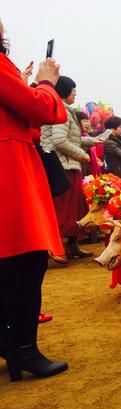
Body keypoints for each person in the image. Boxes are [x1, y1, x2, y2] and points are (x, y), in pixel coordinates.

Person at [0, 19, 68, 380]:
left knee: (10, 261)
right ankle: (23, 348)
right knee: (25, 259)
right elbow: (38, 109)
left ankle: (9, 343)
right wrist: (45, 82)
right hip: (9, 166)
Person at [41, 76, 102, 261]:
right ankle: (54, 247)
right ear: (65, 91)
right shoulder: (61, 111)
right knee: (63, 209)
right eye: (73, 90)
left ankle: (72, 245)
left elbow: (71, 138)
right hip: (62, 165)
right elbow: (60, 141)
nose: (75, 93)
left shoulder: (65, 110)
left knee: (76, 207)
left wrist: (93, 140)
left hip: (69, 164)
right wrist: (81, 154)